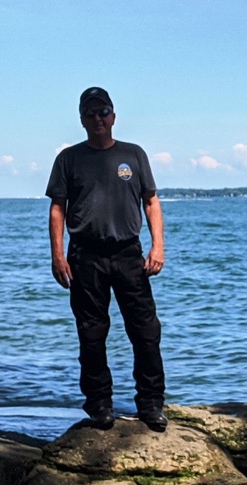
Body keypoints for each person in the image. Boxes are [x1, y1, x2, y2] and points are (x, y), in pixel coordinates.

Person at [46, 87, 168, 431]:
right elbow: (57, 208)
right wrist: (58, 256)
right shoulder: (69, 159)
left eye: (104, 112)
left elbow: (151, 201)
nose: (98, 119)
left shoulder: (134, 154)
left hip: (129, 253)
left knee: (145, 332)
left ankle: (151, 404)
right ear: (82, 120)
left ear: (113, 116)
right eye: (90, 113)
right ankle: (100, 406)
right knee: (92, 334)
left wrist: (157, 246)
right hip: (85, 255)